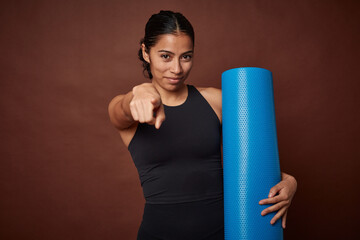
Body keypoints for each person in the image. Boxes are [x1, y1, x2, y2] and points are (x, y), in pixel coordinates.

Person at [108, 10, 297, 240]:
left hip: (220, 234)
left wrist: (289, 182)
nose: (177, 69)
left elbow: (252, 162)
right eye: (165, 56)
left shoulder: (217, 101)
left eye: (186, 57)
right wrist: (138, 93)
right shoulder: (128, 108)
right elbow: (120, 110)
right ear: (146, 53)